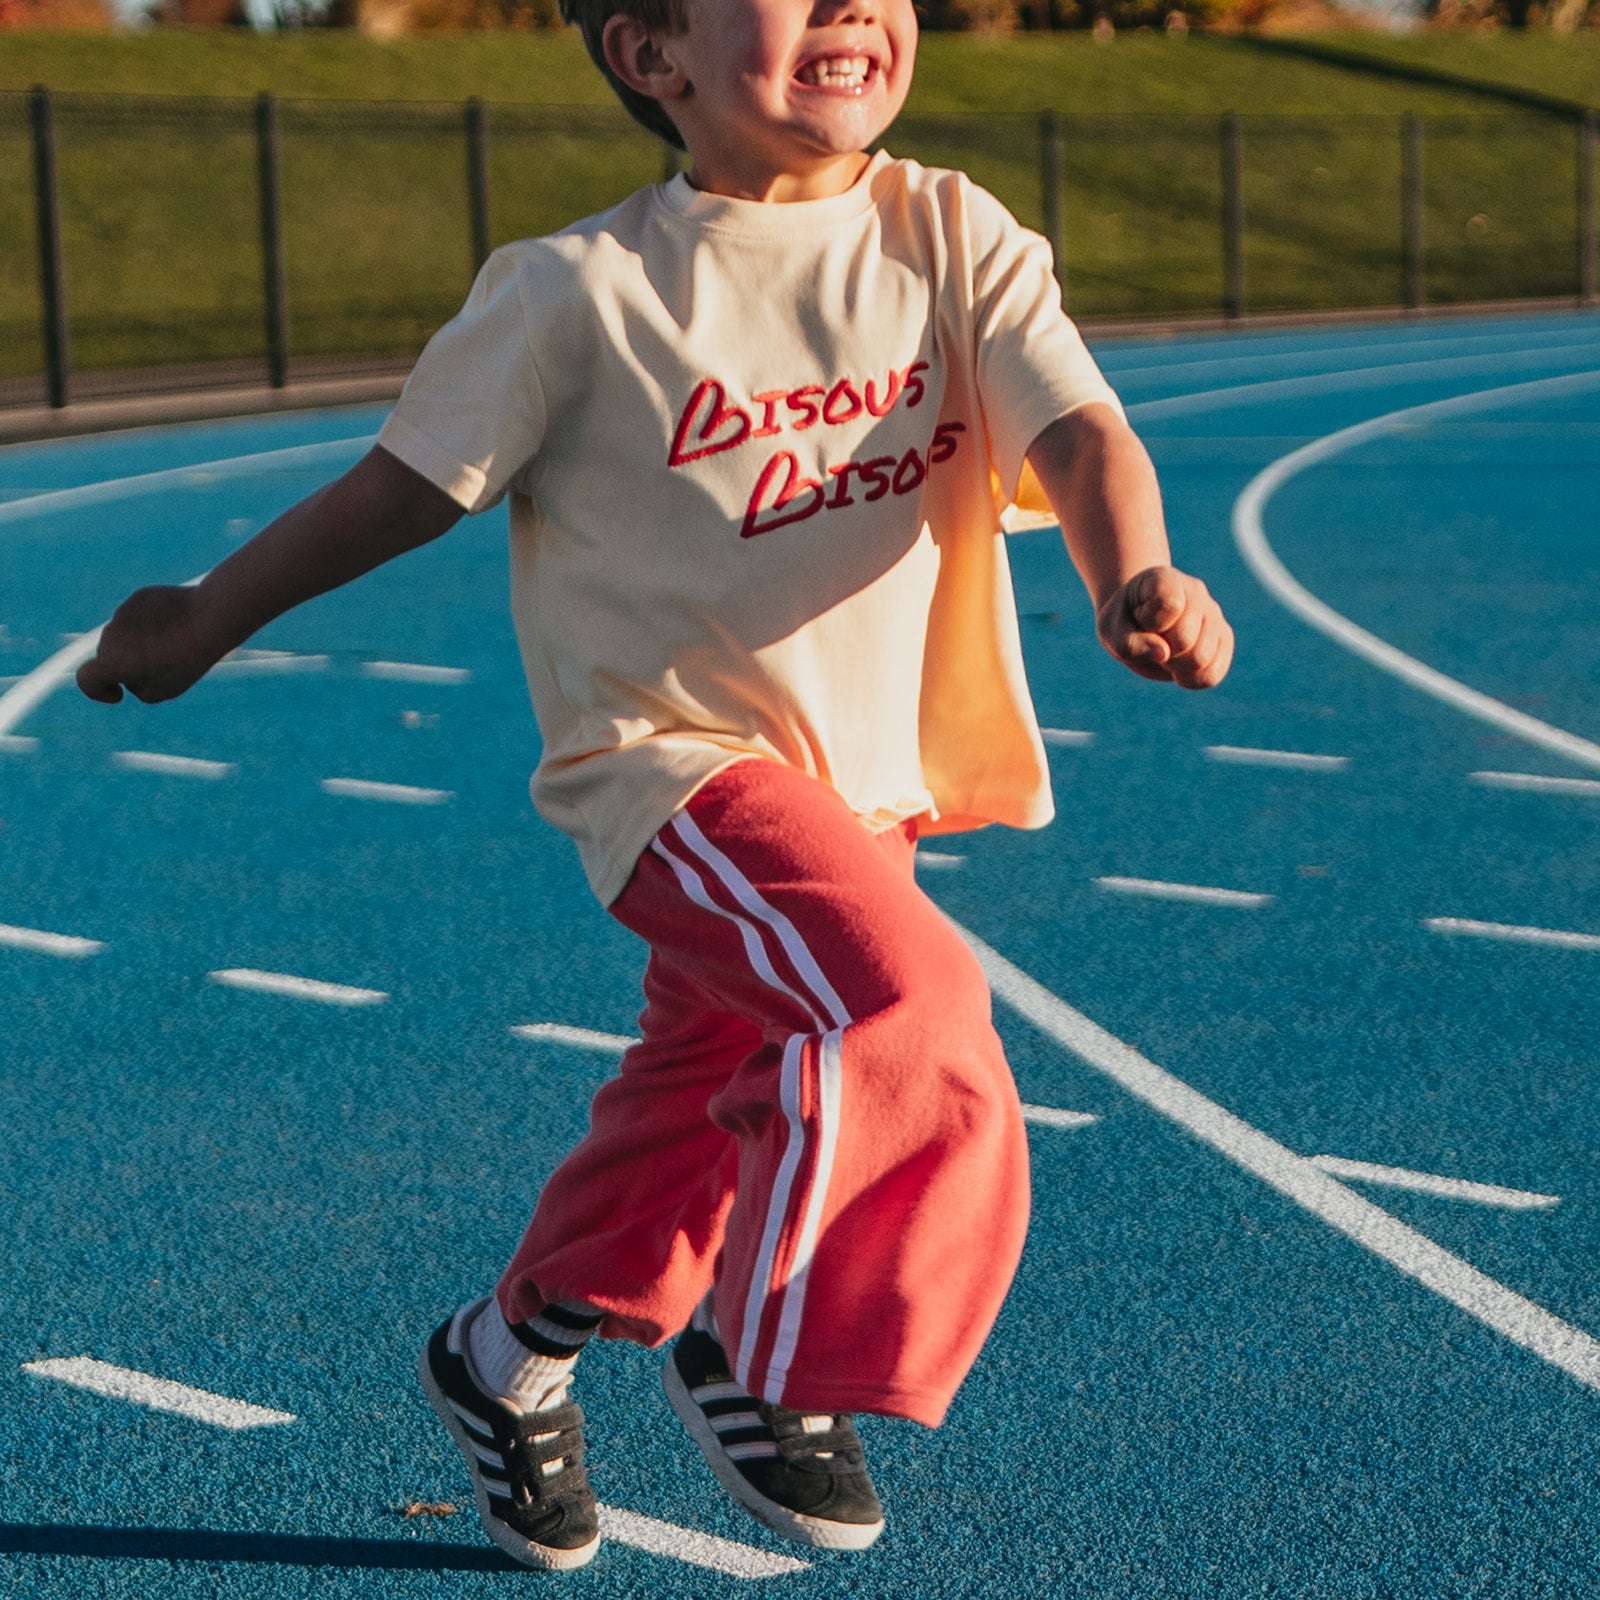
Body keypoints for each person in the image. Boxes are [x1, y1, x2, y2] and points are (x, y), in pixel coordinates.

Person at [76, 0, 1234, 1573]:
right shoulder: (577, 294)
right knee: (910, 1009)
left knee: (692, 1119)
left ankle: (504, 1353)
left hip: (864, 792)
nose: (850, 9)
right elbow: (395, 495)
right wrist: (203, 620)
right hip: (674, 777)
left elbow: (1083, 432)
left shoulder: (953, 233)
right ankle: (773, 1357)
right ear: (651, 56)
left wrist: (1136, 571)